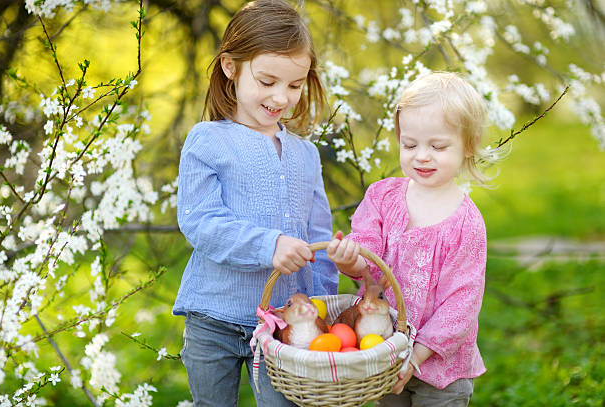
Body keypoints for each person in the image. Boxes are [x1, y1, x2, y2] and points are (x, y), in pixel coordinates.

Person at [172, 1, 337, 405]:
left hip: (285, 324)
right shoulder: (207, 140)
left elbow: (317, 238)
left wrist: (323, 305)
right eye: (267, 81)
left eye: (294, 85)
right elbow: (201, 222)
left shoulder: (304, 154)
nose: (281, 97)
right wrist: (269, 245)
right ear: (231, 67)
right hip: (214, 318)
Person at [327, 72, 493, 407]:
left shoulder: (466, 224)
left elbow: (461, 303)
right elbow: (369, 255)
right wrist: (351, 260)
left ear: (468, 146)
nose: (421, 156)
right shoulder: (383, 197)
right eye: (410, 144)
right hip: (384, 348)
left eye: (437, 146)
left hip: (440, 367)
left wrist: (416, 356)